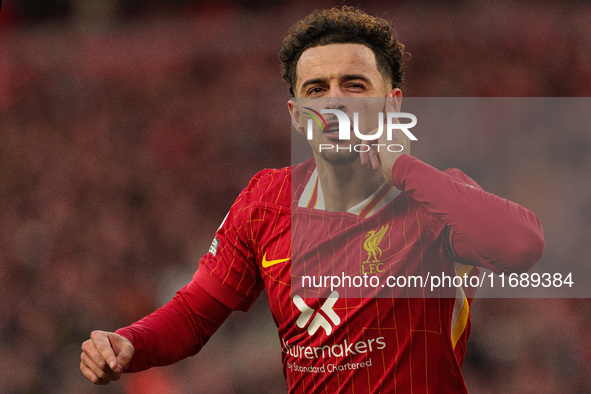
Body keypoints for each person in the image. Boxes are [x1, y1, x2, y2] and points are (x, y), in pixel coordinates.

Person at [80, 6, 544, 392]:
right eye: (317, 90)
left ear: (392, 104)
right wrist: (130, 344)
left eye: (354, 85)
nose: (334, 103)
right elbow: (195, 313)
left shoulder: (434, 197)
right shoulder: (264, 202)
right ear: (298, 115)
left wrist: (402, 168)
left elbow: (523, 245)